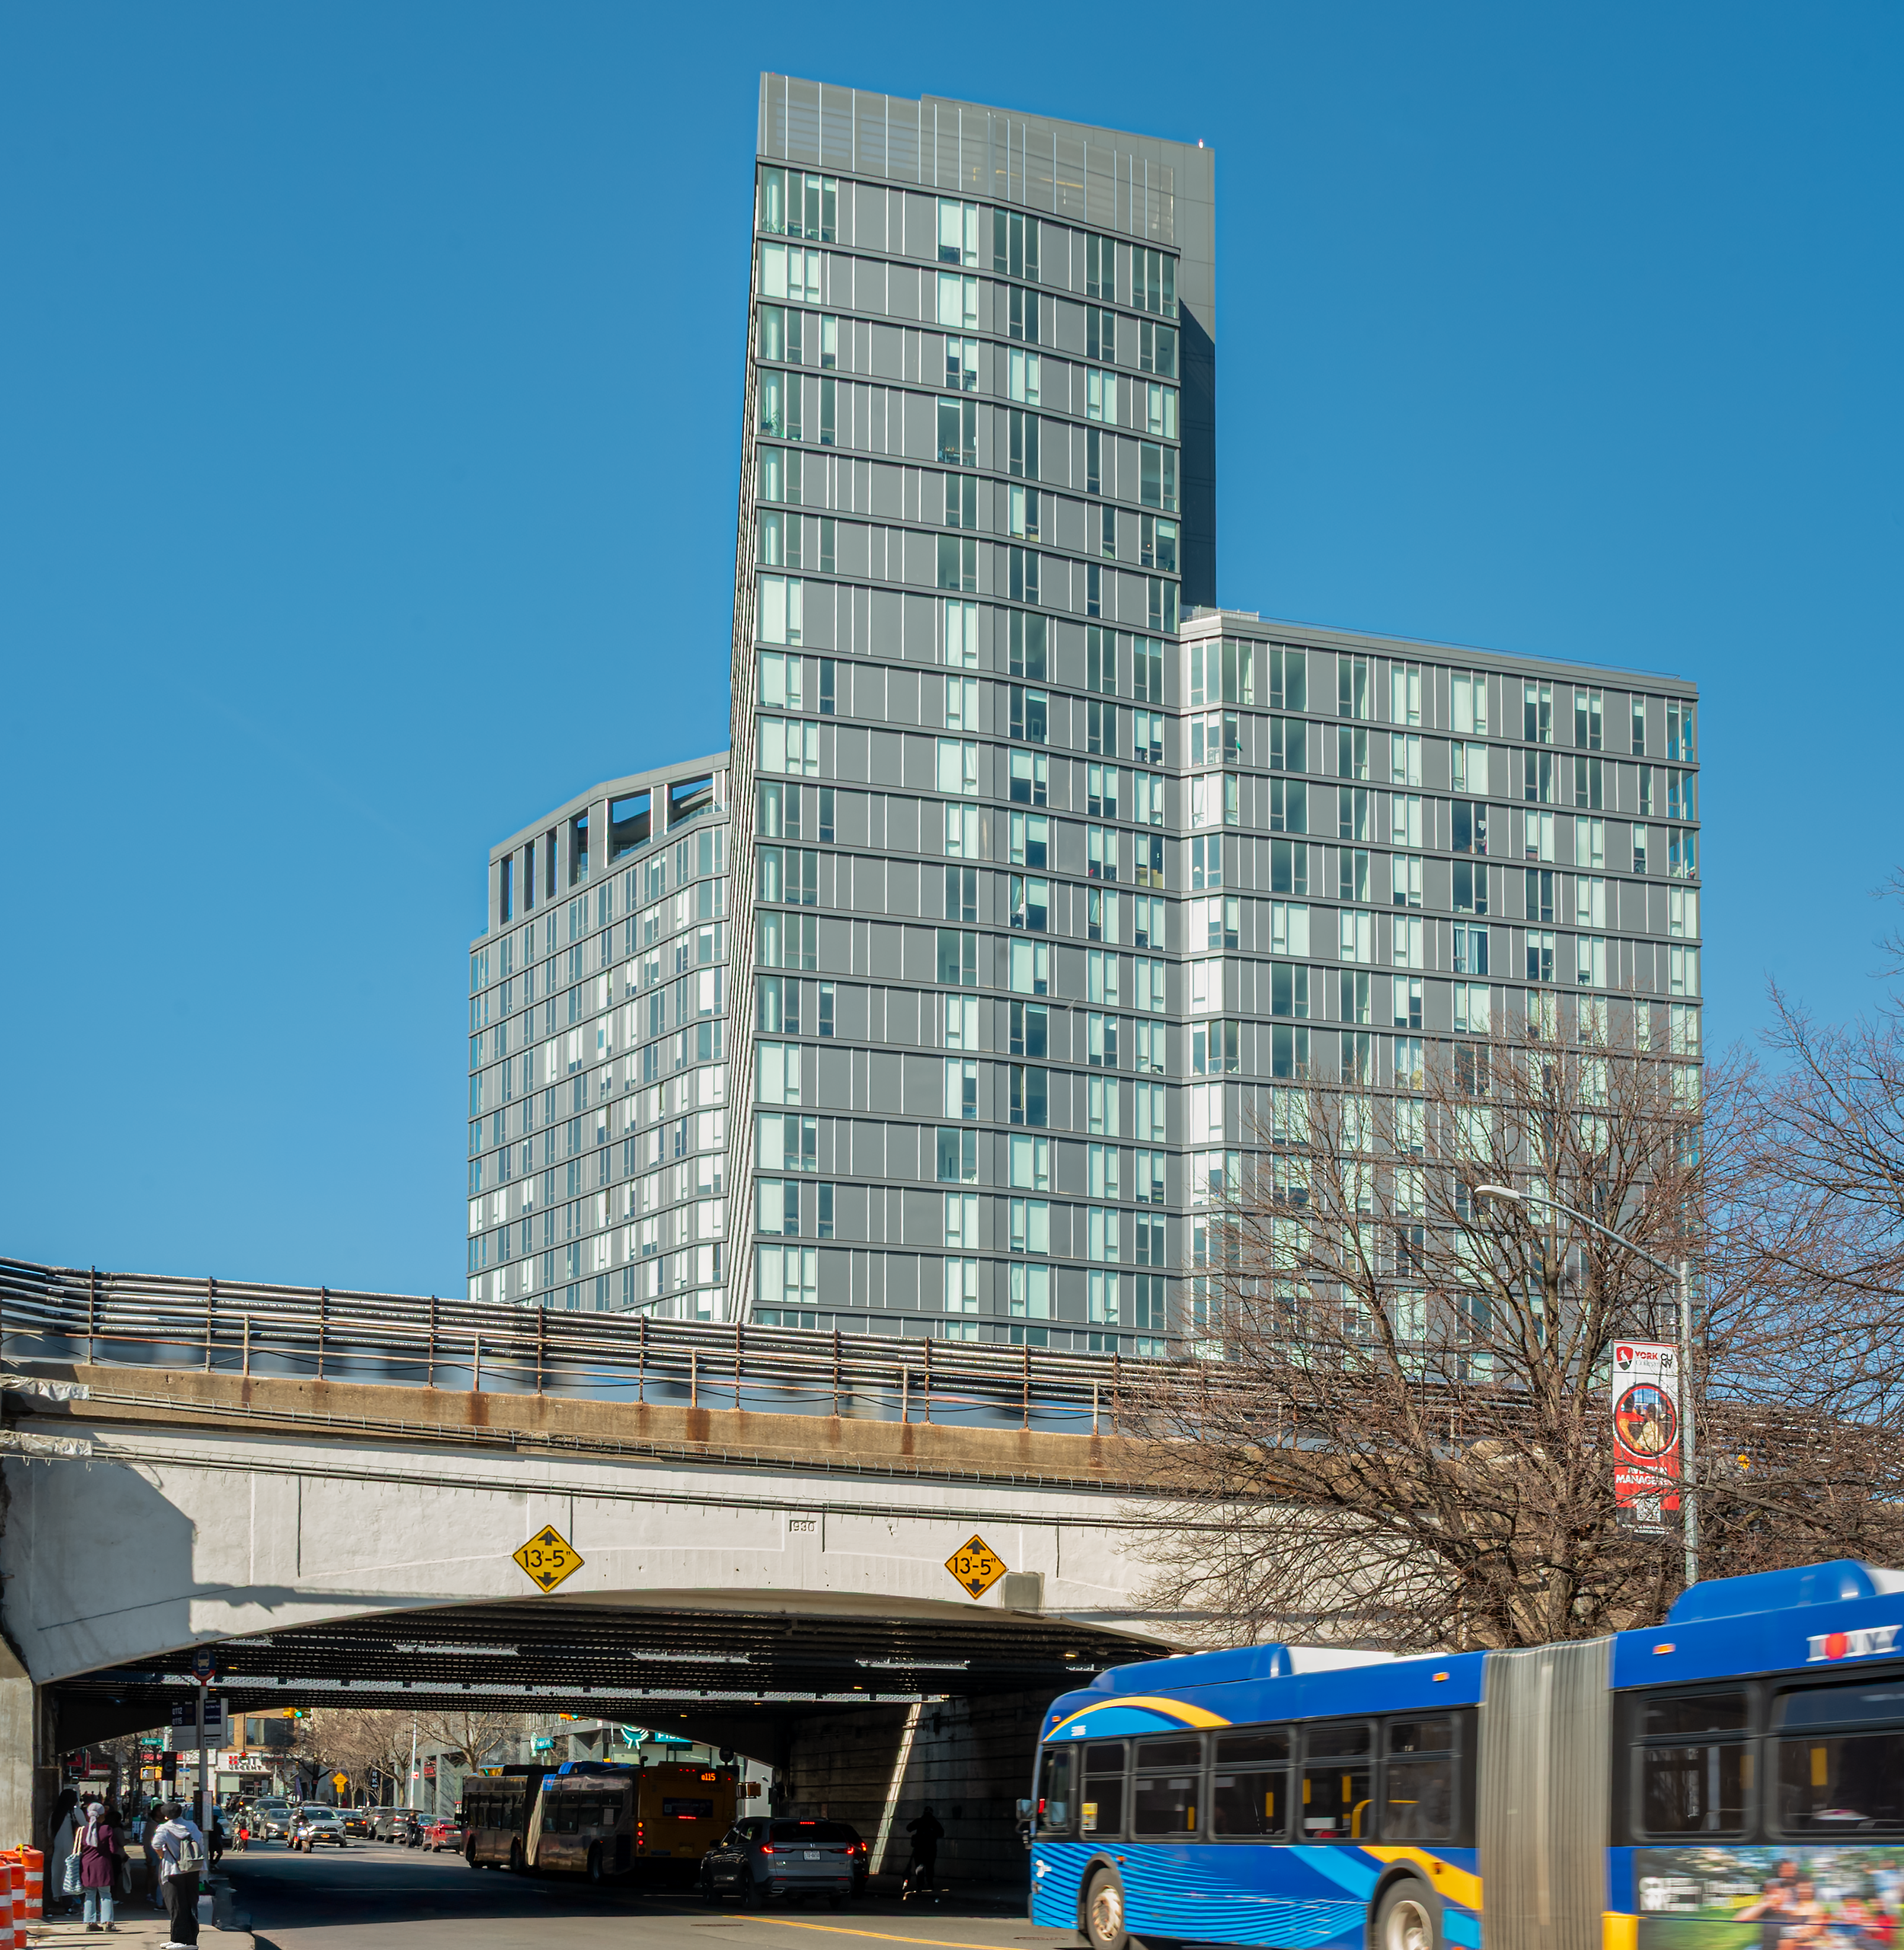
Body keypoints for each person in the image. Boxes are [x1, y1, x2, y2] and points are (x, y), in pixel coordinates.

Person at [152, 1800, 206, 1950]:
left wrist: (163, 1856)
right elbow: (200, 1843)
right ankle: (189, 1939)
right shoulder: (191, 1826)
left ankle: (181, 1940)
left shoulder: (165, 1828)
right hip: (192, 1869)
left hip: (173, 1870)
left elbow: (156, 1844)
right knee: (190, 1903)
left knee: (176, 1905)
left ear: (166, 1815)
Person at [77, 1800, 120, 1932]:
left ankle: (90, 1922)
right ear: (103, 1815)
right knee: (106, 1894)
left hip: (87, 1866)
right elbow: (113, 1850)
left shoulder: (82, 1830)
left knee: (89, 1894)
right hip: (103, 1865)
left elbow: (79, 1849)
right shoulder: (106, 1829)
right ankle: (108, 1923)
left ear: (88, 1815)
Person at [904, 1806, 944, 1895]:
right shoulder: (934, 1822)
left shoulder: (920, 1821)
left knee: (920, 1867)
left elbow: (909, 1828)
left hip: (920, 1848)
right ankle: (930, 1884)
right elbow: (941, 1833)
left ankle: (920, 1885)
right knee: (930, 1867)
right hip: (930, 1848)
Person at [140, 1805, 165, 1910]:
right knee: (151, 1873)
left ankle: (160, 1894)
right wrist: (147, 1853)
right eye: (158, 1811)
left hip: (164, 1851)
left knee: (162, 1873)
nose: (160, 1813)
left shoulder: (166, 1823)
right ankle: (149, 1893)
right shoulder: (151, 1824)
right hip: (152, 1850)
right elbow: (146, 1840)